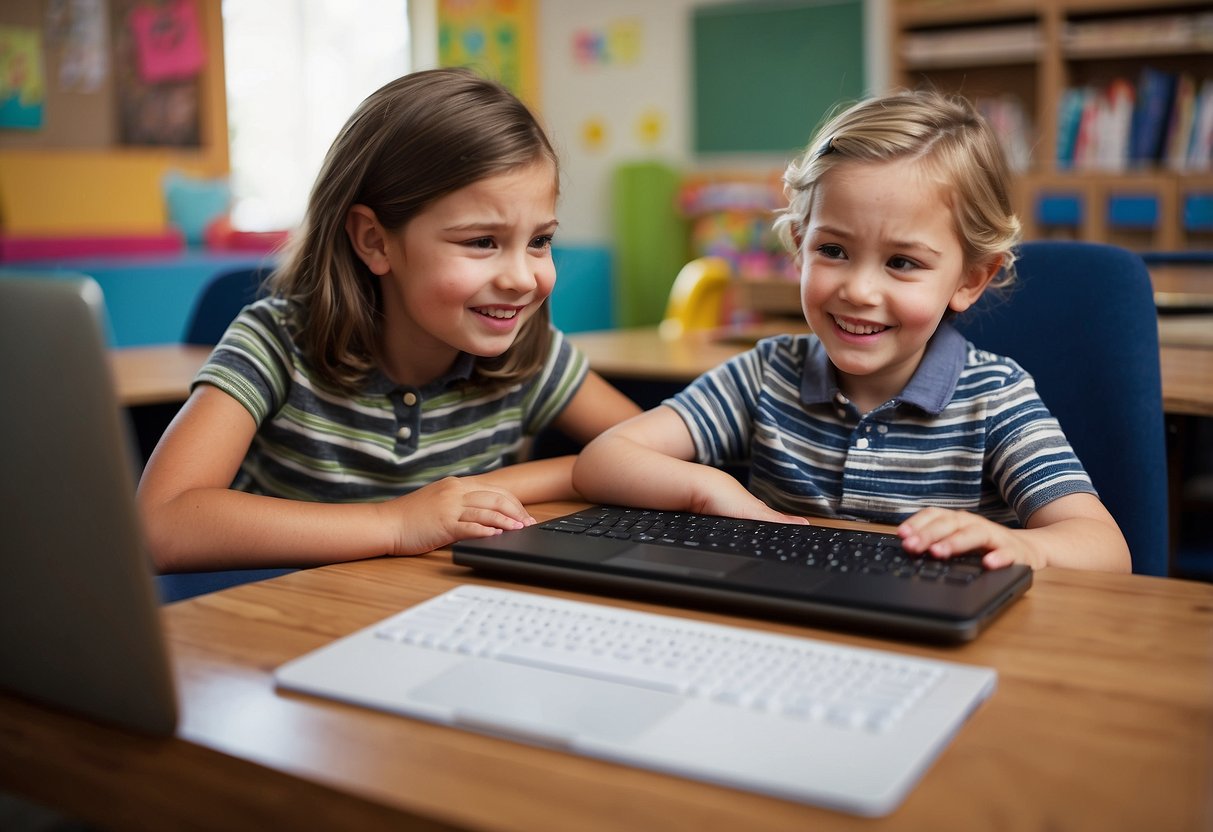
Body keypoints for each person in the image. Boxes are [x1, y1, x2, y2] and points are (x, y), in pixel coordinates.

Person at [573, 89, 1130, 573]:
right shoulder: (767, 375)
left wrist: (1023, 546)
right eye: (833, 251)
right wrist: (707, 486)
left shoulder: (994, 398)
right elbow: (604, 458)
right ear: (798, 246)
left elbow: (1106, 549)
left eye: (902, 262)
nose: (859, 291)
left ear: (969, 279)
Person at [138, 68, 640, 572]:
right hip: (280, 619)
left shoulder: (531, 351)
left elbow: (643, 450)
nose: (522, 279)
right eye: (482, 241)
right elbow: (160, 525)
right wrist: (394, 523)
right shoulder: (276, 343)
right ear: (375, 241)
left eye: (539, 241)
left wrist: (559, 476)